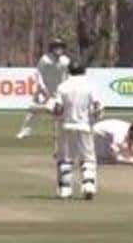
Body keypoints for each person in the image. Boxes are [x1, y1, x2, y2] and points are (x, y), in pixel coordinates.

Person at [52, 61, 103, 200]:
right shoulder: (90, 86)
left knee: (66, 158)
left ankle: (65, 189)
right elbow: (98, 106)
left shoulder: (62, 87)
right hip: (85, 126)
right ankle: (88, 185)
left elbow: (57, 108)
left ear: (69, 71)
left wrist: (56, 117)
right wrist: (95, 118)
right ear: (84, 71)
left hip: (66, 126)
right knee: (88, 157)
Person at [16, 38, 71, 139]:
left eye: (61, 47)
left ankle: (63, 133)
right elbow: (38, 73)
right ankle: (25, 132)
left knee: (62, 113)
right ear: (52, 48)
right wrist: (42, 88)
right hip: (43, 91)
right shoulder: (45, 59)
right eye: (56, 47)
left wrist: (65, 88)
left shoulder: (65, 61)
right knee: (33, 110)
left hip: (58, 91)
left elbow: (68, 75)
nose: (59, 50)